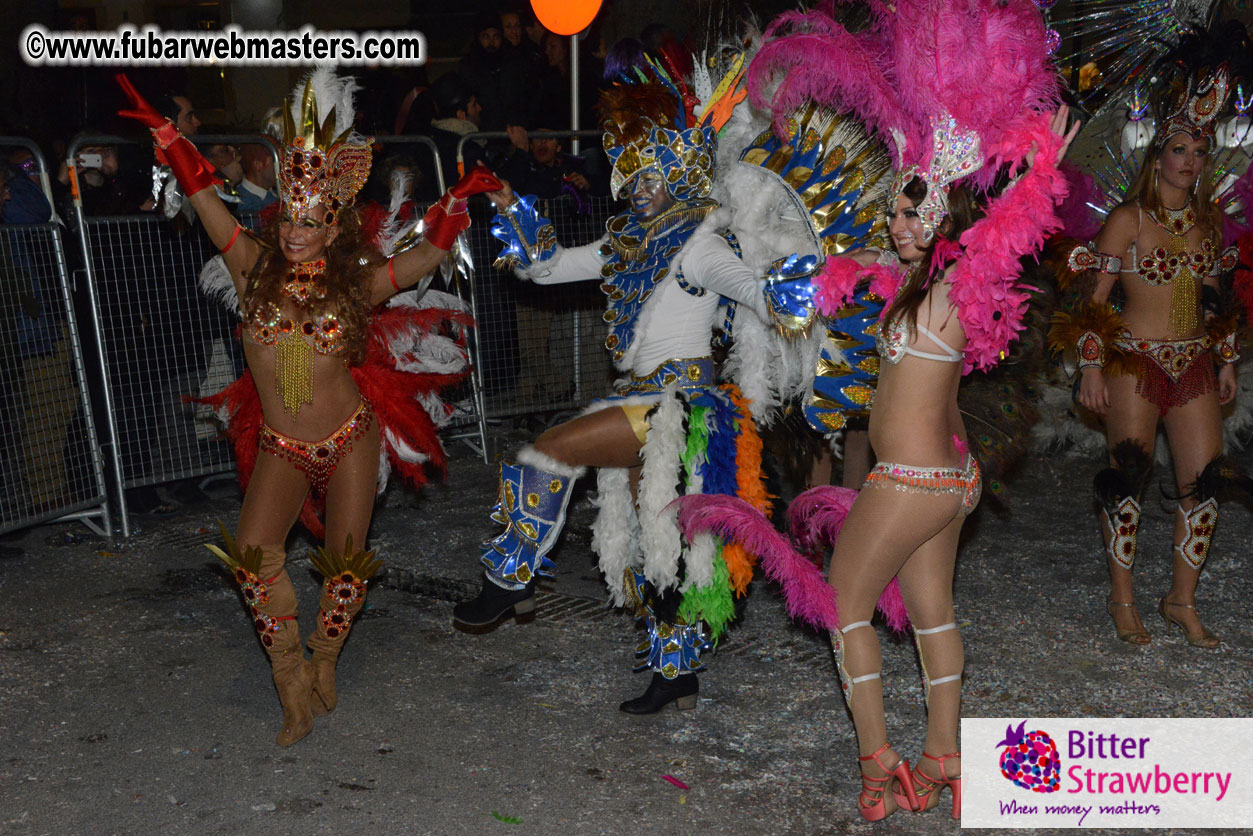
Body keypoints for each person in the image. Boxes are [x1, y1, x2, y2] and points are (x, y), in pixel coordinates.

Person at [116, 68, 499, 746]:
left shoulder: (356, 284)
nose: (295, 232)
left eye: (311, 222)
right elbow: (206, 198)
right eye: (289, 219)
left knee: (346, 566)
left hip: (349, 439)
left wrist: (458, 203)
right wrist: (170, 137)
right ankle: (290, 683)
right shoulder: (249, 264)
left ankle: (325, 658)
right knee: (254, 560)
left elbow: (419, 263)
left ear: (333, 227)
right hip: (280, 446)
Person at [453, 57, 797, 713]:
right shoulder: (625, 243)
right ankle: (675, 673)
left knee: (547, 451)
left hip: (679, 407)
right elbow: (547, 268)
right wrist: (506, 201)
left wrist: (791, 286)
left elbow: (754, 293)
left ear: (679, 170)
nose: (635, 186)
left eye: (647, 171)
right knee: (654, 545)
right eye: (627, 173)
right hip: (637, 399)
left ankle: (510, 575)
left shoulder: (700, 244)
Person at [1053, 63, 1240, 649]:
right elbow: (1093, 303)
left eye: (1201, 151)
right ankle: (1123, 598)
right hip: (1133, 363)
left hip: (1194, 366)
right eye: (1179, 148)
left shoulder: (1209, 227)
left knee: (1203, 488)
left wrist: (1227, 358)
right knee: (1127, 485)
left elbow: (1215, 302)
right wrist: (1088, 366)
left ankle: (1180, 599)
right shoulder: (1127, 221)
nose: (1191, 160)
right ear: (1157, 157)